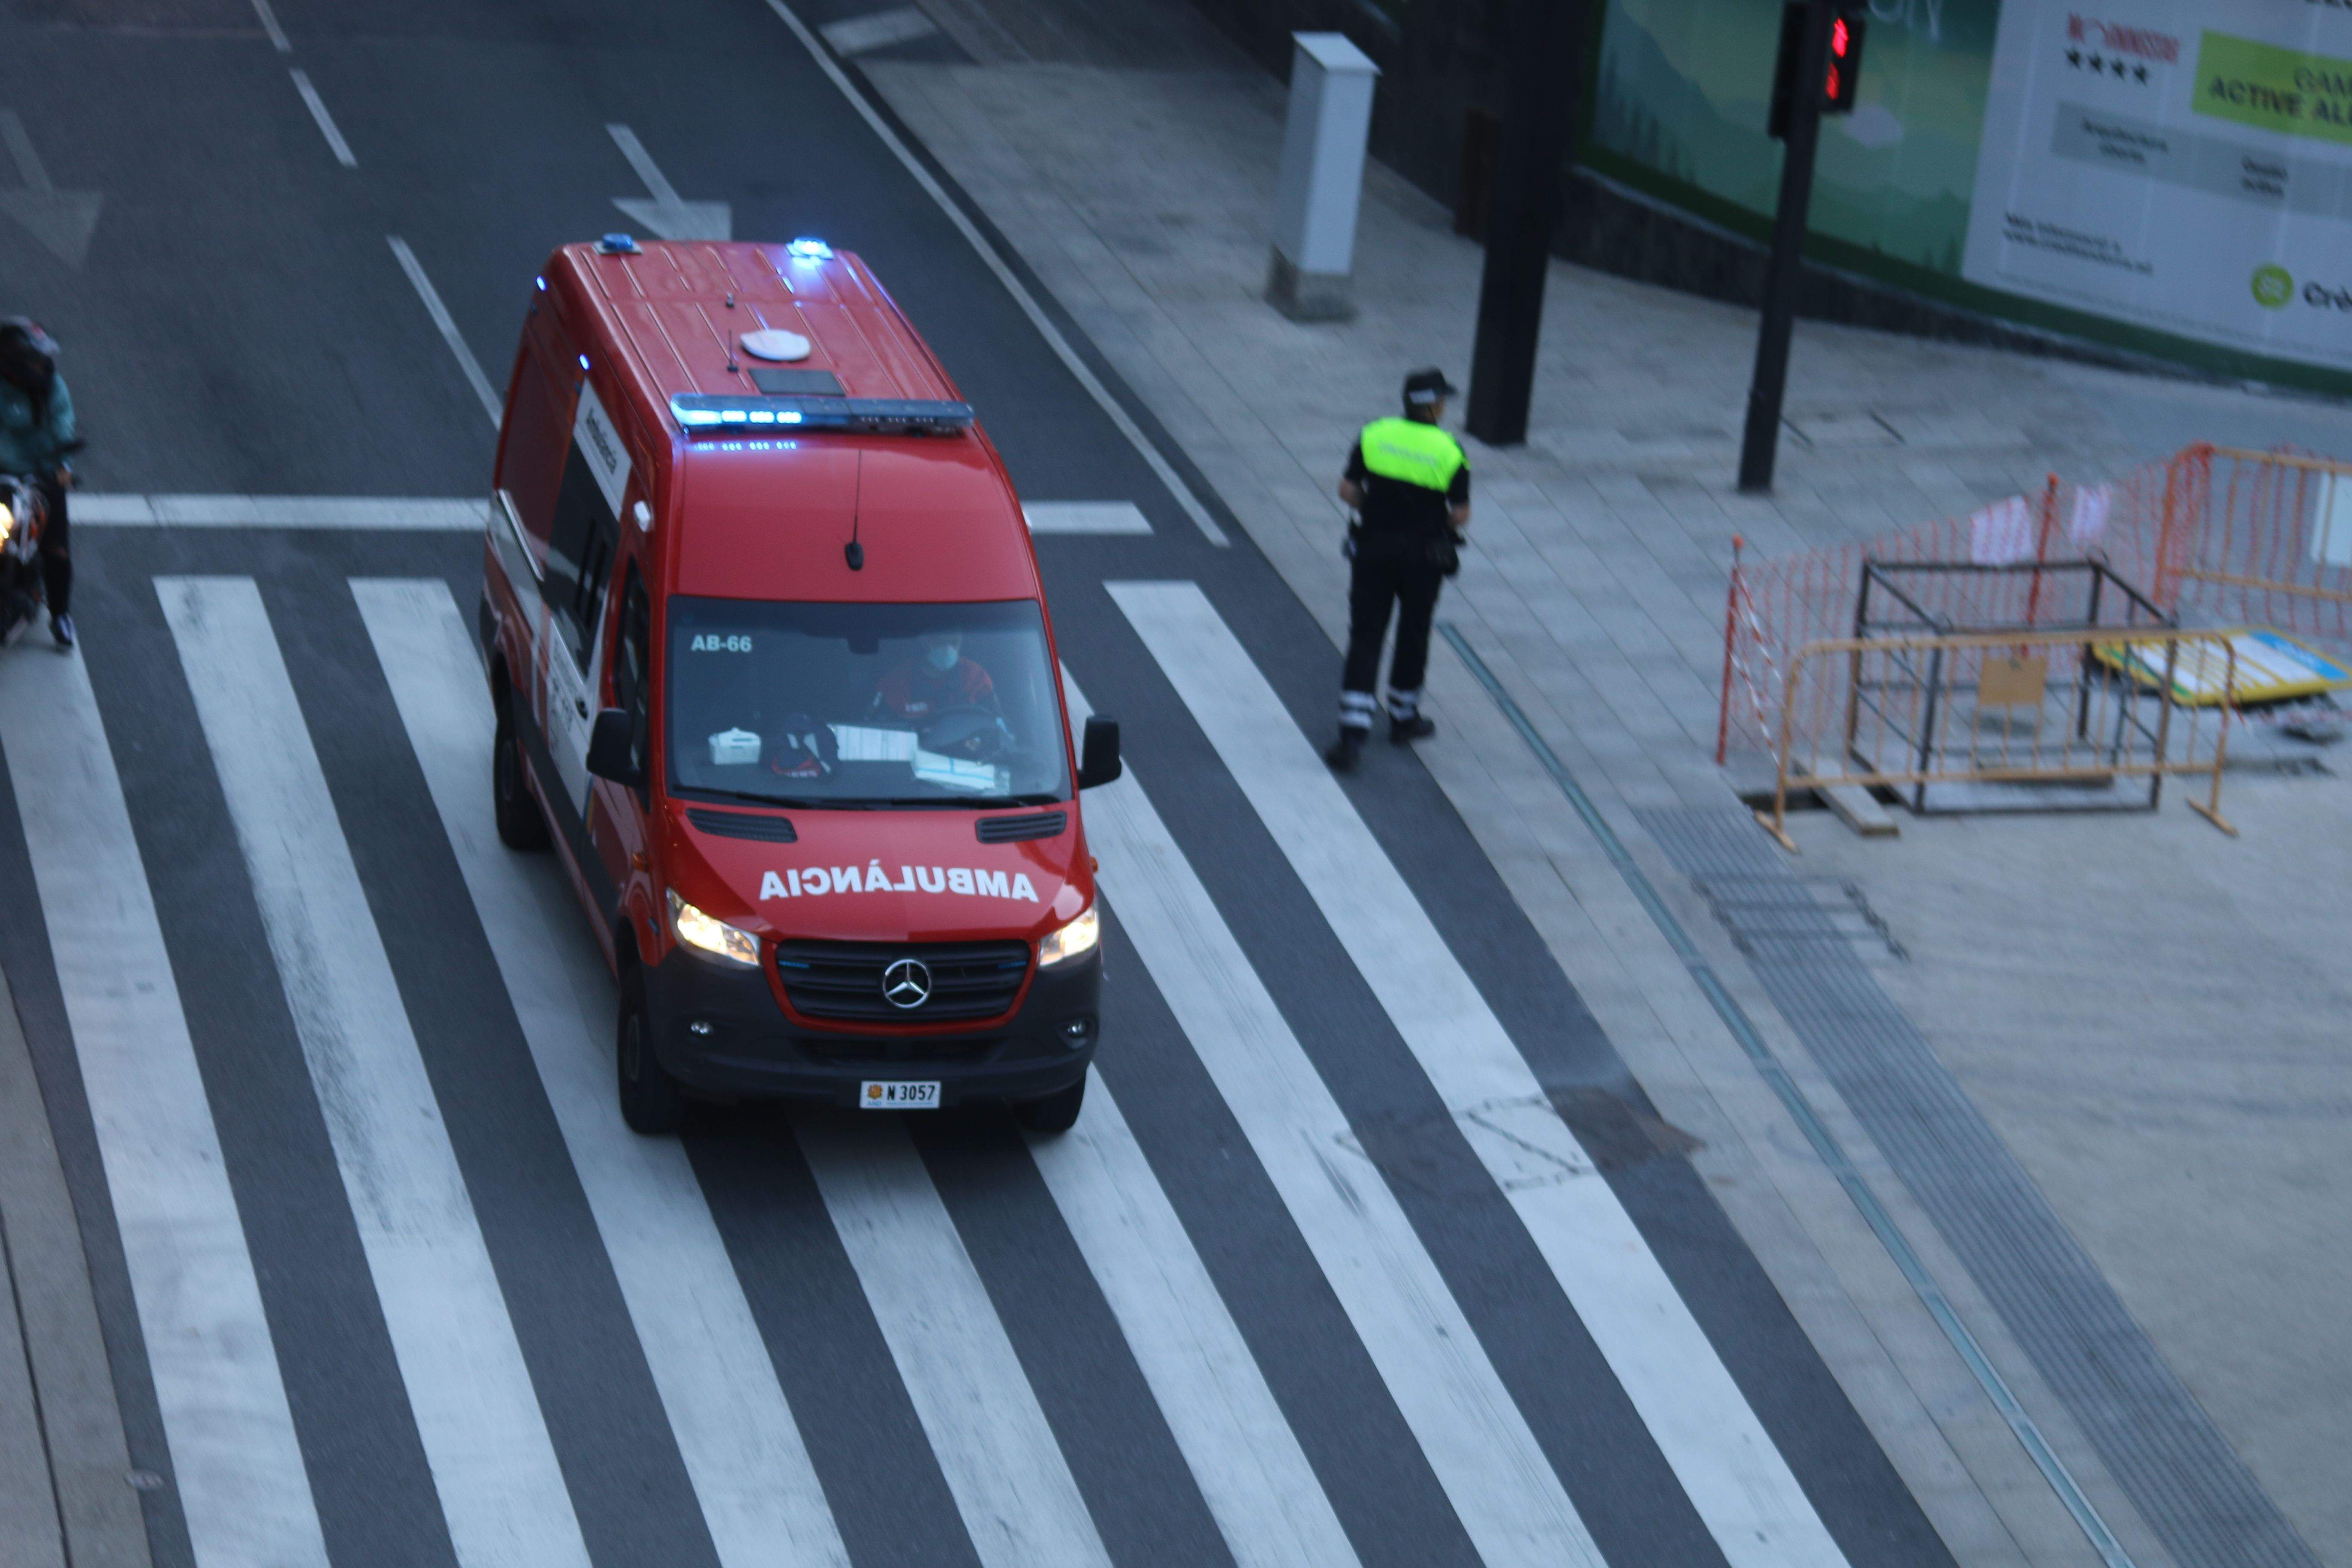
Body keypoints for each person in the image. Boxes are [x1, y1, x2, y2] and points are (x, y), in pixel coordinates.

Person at [1326, 367, 1470, 771]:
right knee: (1414, 631)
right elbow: (1460, 514)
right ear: (1435, 406)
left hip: (1373, 549)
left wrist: (1373, 511)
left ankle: (1352, 734)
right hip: (1423, 558)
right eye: (1443, 400)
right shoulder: (1449, 451)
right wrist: (1436, 524)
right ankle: (1404, 717)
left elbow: (1347, 490)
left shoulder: (1375, 434)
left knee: (1366, 636)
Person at [0, 318, 76, 649]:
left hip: (40, 474)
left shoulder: (52, 385)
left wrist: (62, 466)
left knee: (57, 551)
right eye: (34, 359)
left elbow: (63, 425)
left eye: (42, 359)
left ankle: (60, 614)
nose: (41, 365)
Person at [872, 627, 996, 722]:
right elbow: (880, 726)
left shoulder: (975, 676)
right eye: (940, 642)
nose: (948, 649)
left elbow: (996, 723)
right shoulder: (897, 680)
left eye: (954, 643)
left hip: (965, 753)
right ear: (925, 641)